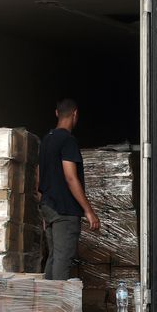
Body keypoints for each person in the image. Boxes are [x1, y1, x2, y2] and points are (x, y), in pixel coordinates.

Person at [38, 98, 100, 281]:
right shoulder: (68, 141)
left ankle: (48, 304)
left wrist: (44, 209)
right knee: (62, 260)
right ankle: (57, 307)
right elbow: (70, 177)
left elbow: (38, 177)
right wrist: (89, 211)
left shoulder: (46, 140)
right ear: (75, 114)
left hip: (49, 207)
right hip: (64, 209)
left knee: (54, 257)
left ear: (57, 113)